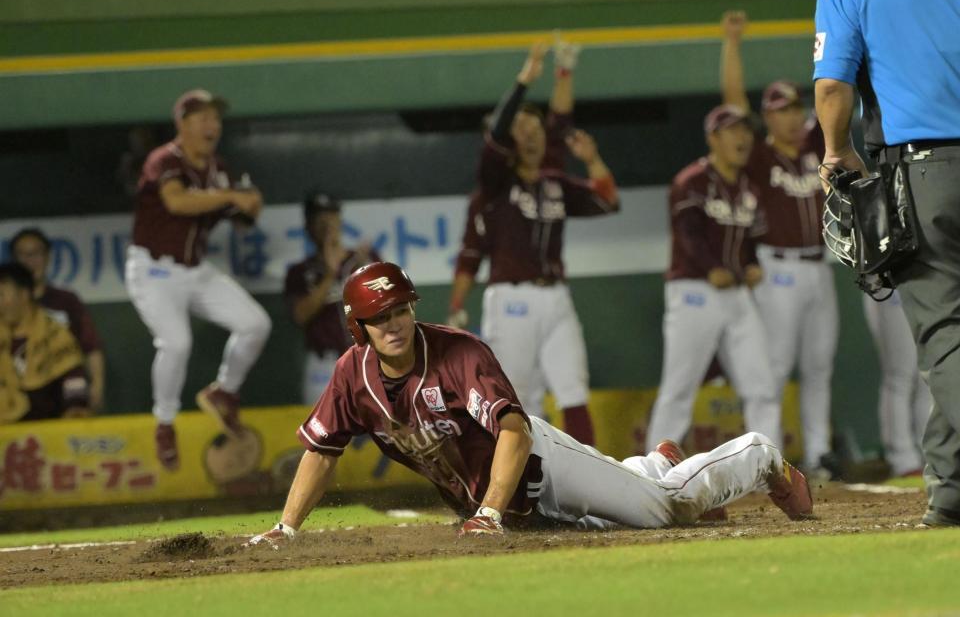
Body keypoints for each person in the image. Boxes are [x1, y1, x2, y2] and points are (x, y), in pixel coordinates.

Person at [247, 262, 812, 545]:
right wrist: (287, 528)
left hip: (539, 466)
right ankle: (651, 464)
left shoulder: (457, 352)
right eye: (378, 317)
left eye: (399, 311)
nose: (392, 324)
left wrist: (487, 513)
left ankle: (758, 456)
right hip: (508, 506)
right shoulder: (352, 375)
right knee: (599, 533)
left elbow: (512, 432)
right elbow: (321, 451)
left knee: (666, 514)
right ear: (358, 326)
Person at [814, 0, 960, 526]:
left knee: (946, 333)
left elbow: (832, 85)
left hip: (925, 172)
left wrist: (836, 151)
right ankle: (951, 493)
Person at [448, 39, 618, 445]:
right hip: (512, 299)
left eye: (535, 127)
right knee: (517, 398)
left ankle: (592, 484)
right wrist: (525, 80)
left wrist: (592, 159)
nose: (530, 134)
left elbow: (608, 201)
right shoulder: (495, 183)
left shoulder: (554, 181)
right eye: (520, 128)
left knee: (574, 388)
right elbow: (470, 257)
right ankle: (524, 487)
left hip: (556, 297)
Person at [125, 89, 272, 471]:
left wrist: (251, 203)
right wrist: (231, 195)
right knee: (176, 342)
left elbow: (242, 221)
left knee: (255, 323)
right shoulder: (165, 159)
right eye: (202, 118)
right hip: (153, 270)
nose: (212, 126)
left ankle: (225, 391)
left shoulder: (218, 169)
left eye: (216, 119)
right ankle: (164, 422)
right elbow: (176, 201)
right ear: (182, 124)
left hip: (195, 269)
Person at [721, 11, 838, 476]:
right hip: (778, 270)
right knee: (773, 369)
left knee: (819, 367)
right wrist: (732, 44)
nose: (791, 117)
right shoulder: (760, 155)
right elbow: (731, 103)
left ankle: (821, 453)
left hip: (818, 265)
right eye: (781, 109)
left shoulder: (813, 147)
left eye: (795, 109)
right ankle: (763, 458)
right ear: (767, 116)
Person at [645, 104, 780, 454]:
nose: (743, 137)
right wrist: (710, 268)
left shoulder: (749, 185)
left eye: (746, 130)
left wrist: (751, 264)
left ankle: (770, 466)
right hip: (694, 292)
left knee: (762, 384)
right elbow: (687, 235)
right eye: (732, 131)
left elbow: (750, 240)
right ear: (713, 138)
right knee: (680, 387)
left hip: (736, 295)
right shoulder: (691, 181)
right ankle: (652, 468)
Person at [284, 192, 377, 405]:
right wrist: (330, 274)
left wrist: (367, 275)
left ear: (340, 222)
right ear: (308, 227)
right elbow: (300, 316)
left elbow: (390, 307)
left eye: (331, 219)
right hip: (324, 366)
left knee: (380, 433)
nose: (327, 227)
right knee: (323, 435)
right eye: (319, 221)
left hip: (368, 358)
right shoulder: (299, 272)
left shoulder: (362, 260)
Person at [10, 227, 106, 412]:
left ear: (47, 256)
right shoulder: (7, 306)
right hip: (18, 397)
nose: (30, 261)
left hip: (65, 390)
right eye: (23, 255)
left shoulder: (66, 301)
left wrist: (97, 386)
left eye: (35, 253)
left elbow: (91, 346)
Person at [0, 263, 90, 422]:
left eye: (1, 295)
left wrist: (76, 406)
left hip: (49, 431)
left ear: (24, 294)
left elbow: (73, 376)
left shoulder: (54, 334)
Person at [863, 293, 932, 477]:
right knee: (900, 376)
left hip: (930, 283)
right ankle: (903, 460)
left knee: (928, 378)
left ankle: (931, 458)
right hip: (891, 282)